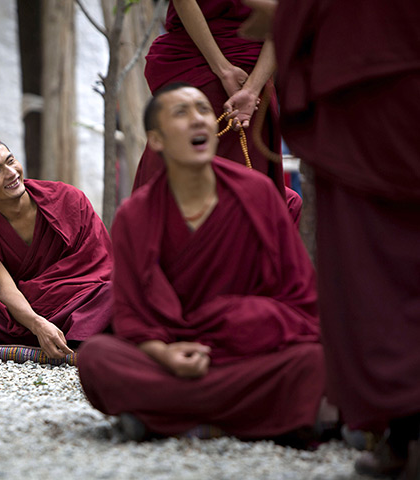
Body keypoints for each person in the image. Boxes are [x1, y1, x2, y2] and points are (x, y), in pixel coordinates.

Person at [78, 83, 324, 442]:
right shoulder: (136, 214)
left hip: (246, 346)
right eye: (181, 113)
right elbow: (129, 311)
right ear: (157, 140)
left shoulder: (258, 195)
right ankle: (253, 417)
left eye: (204, 111)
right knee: (97, 358)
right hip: (173, 349)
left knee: (313, 360)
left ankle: (161, 416)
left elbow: (299, 294)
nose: (198, 120)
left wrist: (244, 322)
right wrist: (165, 354)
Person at [249, 0, 420, 476]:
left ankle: (404, 430)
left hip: (369, 78)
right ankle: (402, 432)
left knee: (373, 264)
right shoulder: (144, 209)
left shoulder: (269, 201)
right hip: (372, 66)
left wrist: (282, 21)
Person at [0, 138, 112, 359]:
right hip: (23, 313)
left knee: (115, 290)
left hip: (76, 301)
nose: (12, 173)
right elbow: (7, 292)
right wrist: (37, 323)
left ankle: (24, 337)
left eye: (11, 161)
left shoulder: (67, 198)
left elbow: (99, 266)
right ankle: (65, 335)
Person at [133, 0, 284, 196]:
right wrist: (251, 87)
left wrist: (228, 73)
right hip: (244, 80)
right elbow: (286, 15)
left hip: (230, 74)